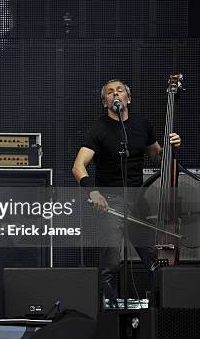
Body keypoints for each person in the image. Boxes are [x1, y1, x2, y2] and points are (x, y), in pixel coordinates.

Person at [72, 79, 181, 302]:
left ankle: (159, 307)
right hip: (111, 201)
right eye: (110, 92)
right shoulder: (99, 128)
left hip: (139, 200)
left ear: (127, 99)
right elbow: (78, 166)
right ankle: (109, 306)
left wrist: (172, 146)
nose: (115, 94)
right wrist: (92, 192)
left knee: (153, 257)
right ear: (105, 102)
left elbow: (159, 157)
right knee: (111, 260)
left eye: (119, 91)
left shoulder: (142, 124)